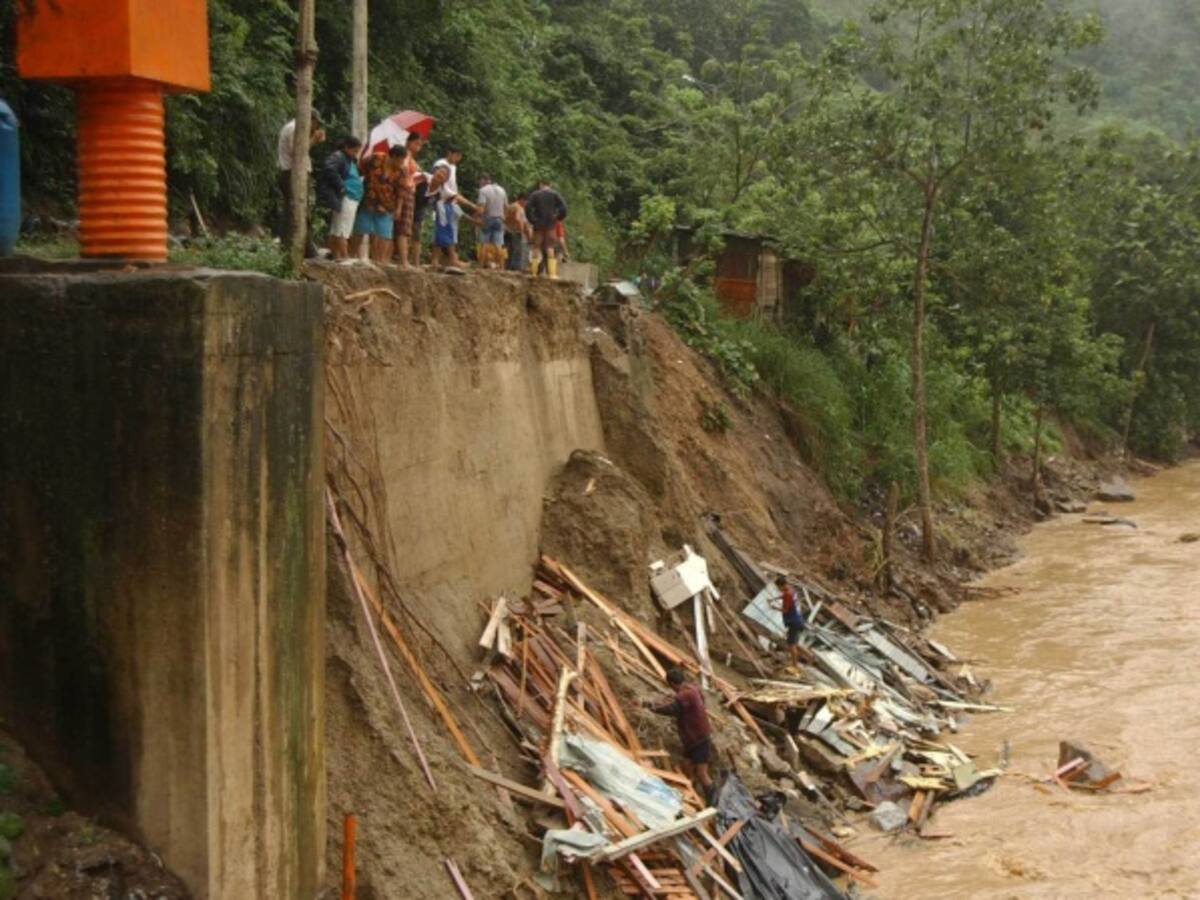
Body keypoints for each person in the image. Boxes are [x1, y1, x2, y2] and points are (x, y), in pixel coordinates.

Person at [642, 668, 714, 796]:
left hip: (698, 738)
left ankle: (713, 802)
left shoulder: (684, 695)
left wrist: (650, 707)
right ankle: (691, 791)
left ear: (672, 684)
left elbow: (671, 709)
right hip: (694, 738)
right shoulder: (692, 689)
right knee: (686, 765)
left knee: (702, 773)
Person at [276, 111, 325, 257]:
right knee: (298, 211)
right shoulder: (294, 128)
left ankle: (300, 247)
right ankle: (304, 249)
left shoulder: (296, 128)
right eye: (315, 123)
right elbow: (297, 152)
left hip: (295, 173)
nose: (315, 126)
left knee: (298, 210)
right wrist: (313, 141)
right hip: (292, 173)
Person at [352, 145, 406, 264]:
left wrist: (398, 208)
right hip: (369, 202)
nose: (401, 164)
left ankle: (380, 261)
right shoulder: (374, 159)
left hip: (387, 205)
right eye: (400, 160)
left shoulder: (401, 171)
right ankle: (352, 256)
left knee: (384, 234)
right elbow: (358, 170)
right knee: (359, 230)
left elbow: (401, 191)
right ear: (394, 157)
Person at [317, 135, 364, 261]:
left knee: (339, 227)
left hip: (352, 197)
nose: (355, 154)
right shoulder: (338, 157)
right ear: (347, 147)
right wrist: (341, 186)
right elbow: (329, 168)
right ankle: (343, 255)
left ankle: (337, 255)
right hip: (346, 196)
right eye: (354, 151)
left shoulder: (349, 160)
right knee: (342, 228)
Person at [393, 131, 425, 269]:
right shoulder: (405, 156)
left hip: (410, 192)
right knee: (403, 229)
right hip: (405, 192)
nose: (418, 146)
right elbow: (404, 173)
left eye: (420, 144)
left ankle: (404, 260)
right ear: (408, 142)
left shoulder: (410, 157)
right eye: (416, 143)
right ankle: (404, 261)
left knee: (406, 229)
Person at [525, 179, 567, 278]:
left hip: (538, 224)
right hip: (551, 224)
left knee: (536, 247)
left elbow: (528, 207)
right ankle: (552, 274)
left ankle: (533, 272)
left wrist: (532, 219)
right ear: (550, 185)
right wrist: (558, 217)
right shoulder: (555, 194)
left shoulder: (535, 195)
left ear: (540, 185)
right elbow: (564, 208)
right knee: (550, 247)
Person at [771, 575, 806, 667]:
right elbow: (785, 596)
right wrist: (774, 599)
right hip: (798, 620)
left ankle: (795, 666)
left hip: (793, 622)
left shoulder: (787, 594)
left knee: (791, 645)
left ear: (782, 586)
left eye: (778, 587)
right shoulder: (791, 590)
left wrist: (774, 607)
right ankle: (806, 657)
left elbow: (785, 610)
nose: (778, 589)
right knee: (793, 642)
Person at [476, 175, 509, 269]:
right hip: (499, 219)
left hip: (487, 218)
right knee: (499, 244)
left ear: (485, 181)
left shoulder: (483, 190)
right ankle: (502, 267)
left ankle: (480, 266)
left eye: (481, 181)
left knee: (484, 243)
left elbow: (482, 207)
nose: (480, 184)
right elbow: (506, 206)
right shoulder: (502, 190)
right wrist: (504, 218)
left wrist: (478, 217)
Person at [504, 193, 532, 273]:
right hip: (515, 231)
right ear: (522, 200)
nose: (526, 204)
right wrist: (522, 231)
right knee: (517, 250)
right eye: (526, 201)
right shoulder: (518, 207)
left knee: (510, 250)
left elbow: (505, 218)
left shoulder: (512, 206)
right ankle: (515, 268)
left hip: (508, 229)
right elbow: (518, 219)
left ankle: (509, 266)